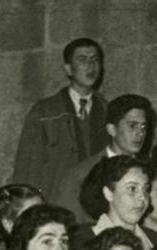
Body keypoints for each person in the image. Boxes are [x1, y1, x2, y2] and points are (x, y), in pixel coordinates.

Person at [13, 37, 107, 200]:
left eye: (95, 60)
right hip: (56, 202)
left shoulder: (108, 110)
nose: (90, 66)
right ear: (68, 69)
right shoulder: (44, 112)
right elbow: (26, 166)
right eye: (82, 60)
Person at [55, 93, 153, 222]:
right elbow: (69, 224)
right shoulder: (81, 173)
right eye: (132, 126)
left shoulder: (150, 170)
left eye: (143, 126)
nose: (140, 133)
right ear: (112, 129)